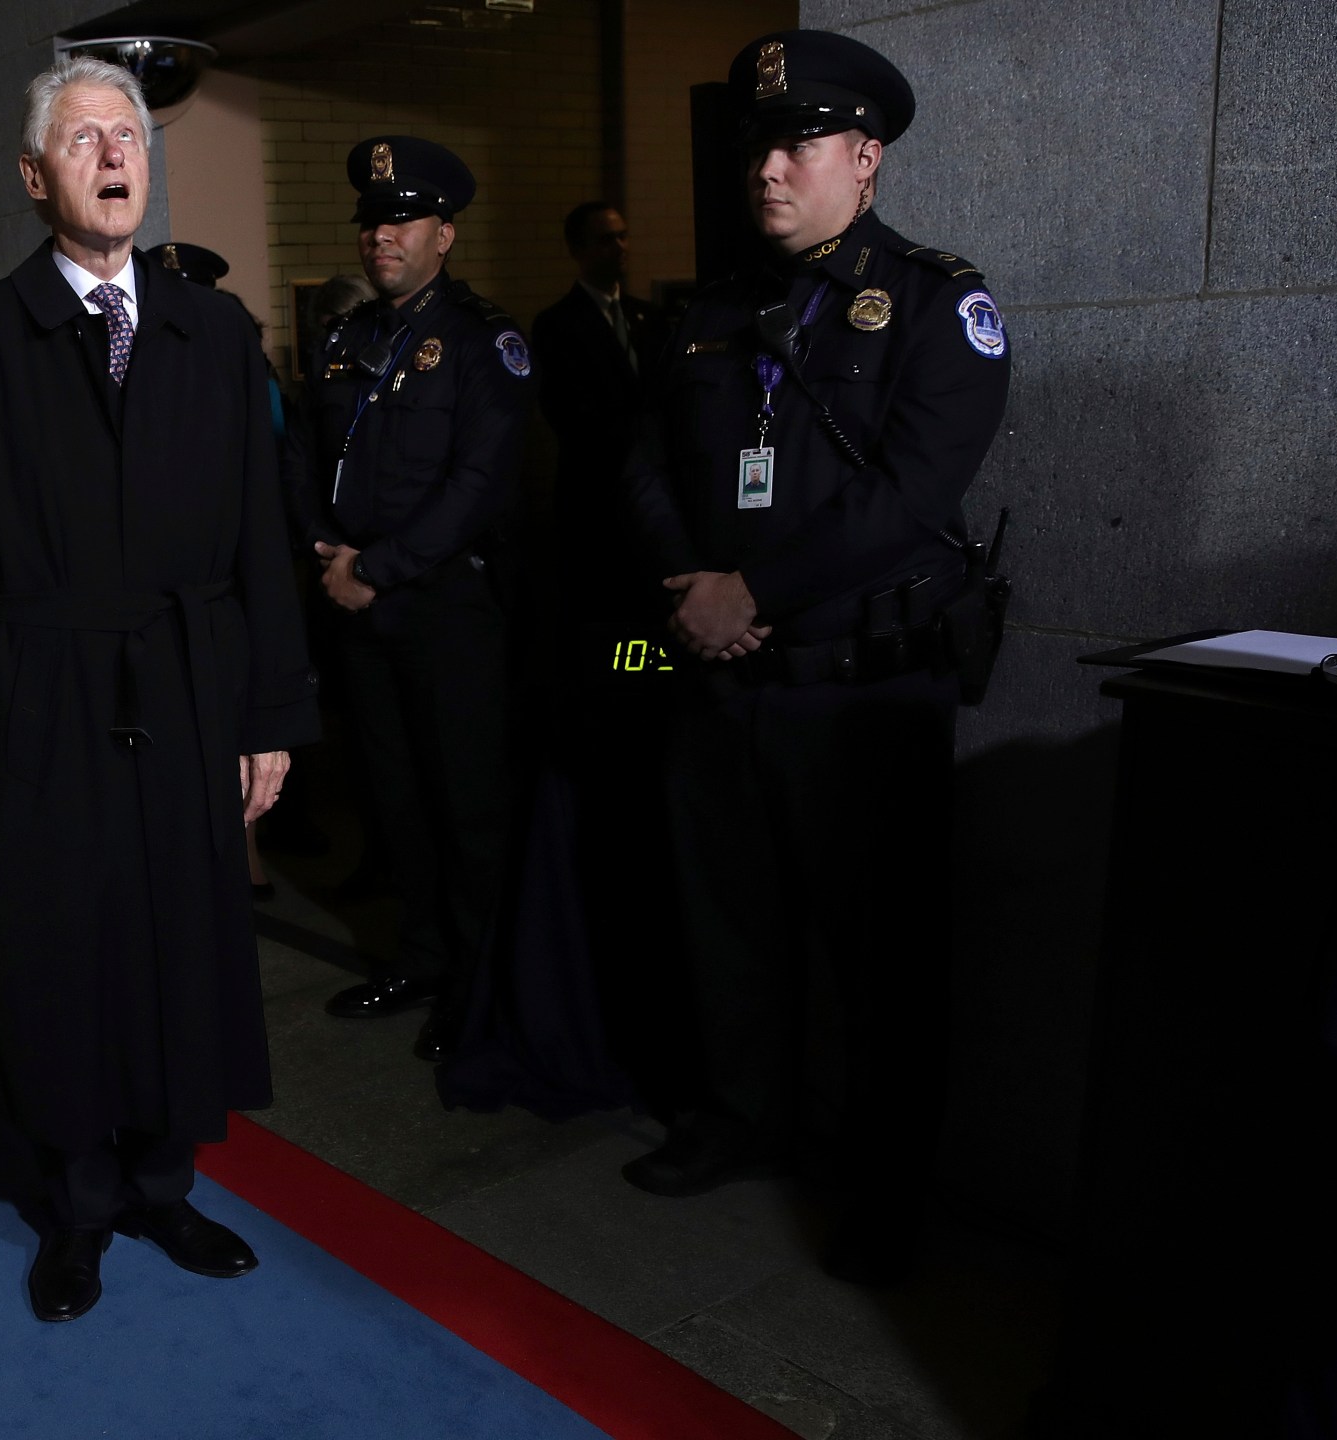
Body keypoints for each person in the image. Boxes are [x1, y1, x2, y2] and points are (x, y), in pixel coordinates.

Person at [0, 56, 319, 1325]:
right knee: (63, 940)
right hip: (41, 690)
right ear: (34, 177)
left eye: (129, 134)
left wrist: (268, 718)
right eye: (83, 138)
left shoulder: (211, 331)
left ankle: (164, 1184)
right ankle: (74, 1207)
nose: (116, 154)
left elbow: (255, 545)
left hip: (184, 683)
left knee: (183, 932)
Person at [618, 30, 1011, 1286]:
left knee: (880, 959)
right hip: (717, 675)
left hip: (860, 694)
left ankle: (886, 1186)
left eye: (798, 143)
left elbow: (909, 495)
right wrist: (690, 590)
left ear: (865, 156)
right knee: (724, 927)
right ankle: (744, 1122)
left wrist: (755, 589)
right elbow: (642, 463)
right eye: (759, 145)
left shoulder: (939, 302)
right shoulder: (707, 310)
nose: (769, 168)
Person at [284, 136, 535, 1063]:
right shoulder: (348, 340)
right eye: (372, 222)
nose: (381, 236)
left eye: (402, 220)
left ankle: (480, 986)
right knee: (395, 801)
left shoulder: (483, 343)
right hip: (359, 606)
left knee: (465, 807)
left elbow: (481, 484)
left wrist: (377, 567)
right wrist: (324, 548)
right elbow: (303, 458)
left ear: (445, 232)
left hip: (445, 610)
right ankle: (420, 960)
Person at [533, 201, 667, 621]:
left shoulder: (650, 317)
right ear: (579, 248)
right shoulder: (556, 325)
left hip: (653, 495)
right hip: (596, 496)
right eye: (606, 239)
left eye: (623, 235)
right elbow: (571, 414)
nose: (620, 247)